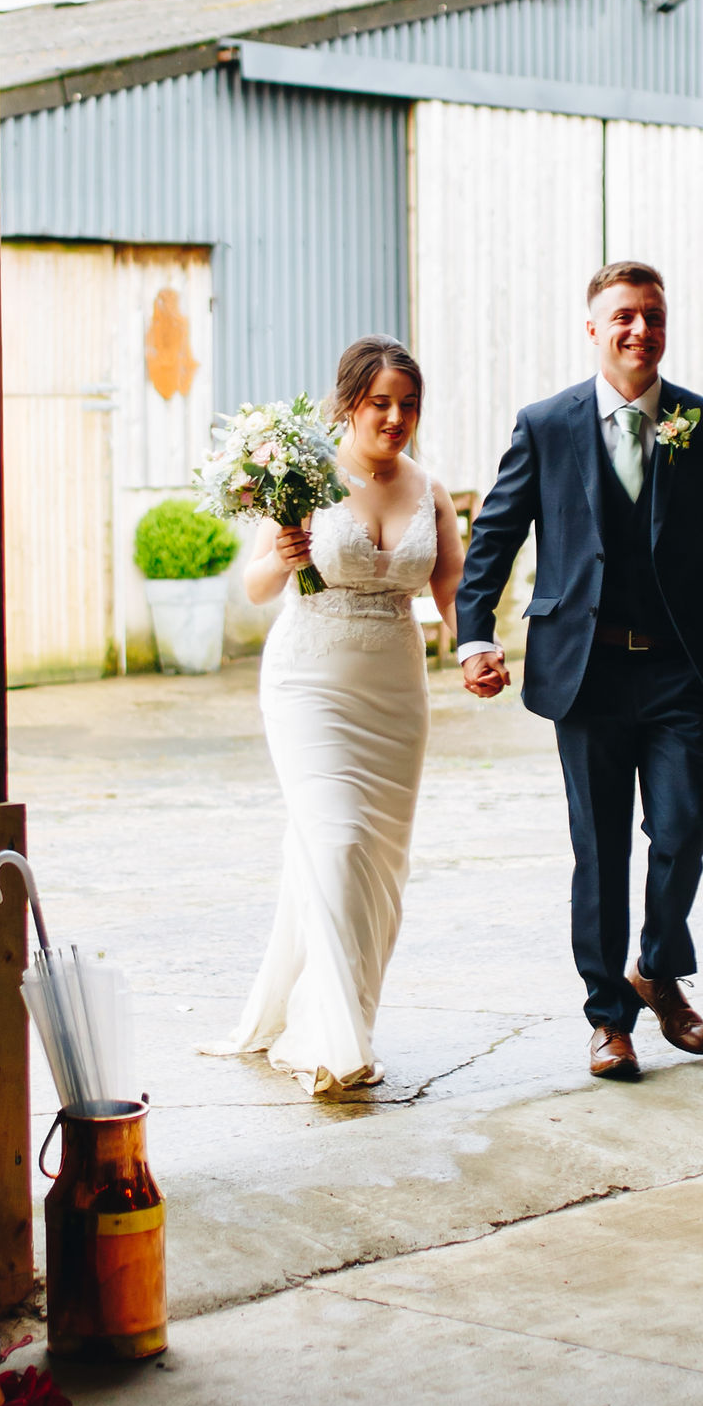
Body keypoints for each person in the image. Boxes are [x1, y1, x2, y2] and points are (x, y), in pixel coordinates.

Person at [454, 263, 703, 1077]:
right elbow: (493, 536)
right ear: (593, 329)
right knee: (598, 850)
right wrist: (473, 634)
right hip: (585, 672)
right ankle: (609, 1018)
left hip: (679, 671)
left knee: (683, 830)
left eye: (654, 316)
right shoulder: (546, 424)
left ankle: (658, 969)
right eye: (624, 317)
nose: (641, 330)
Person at [217, 338, 464, 1094]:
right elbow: (255, 587)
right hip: (309, 684)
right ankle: (333, 1042)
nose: (396, 418)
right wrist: (285, 555)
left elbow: (456, 589)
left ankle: (349, 1013)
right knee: (338, 842)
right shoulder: (305, 479)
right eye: (381, 403)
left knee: (380, 863)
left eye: (408, 404)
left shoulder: (432, 490)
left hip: (396, 690)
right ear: (349, 403)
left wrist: (479, 651)